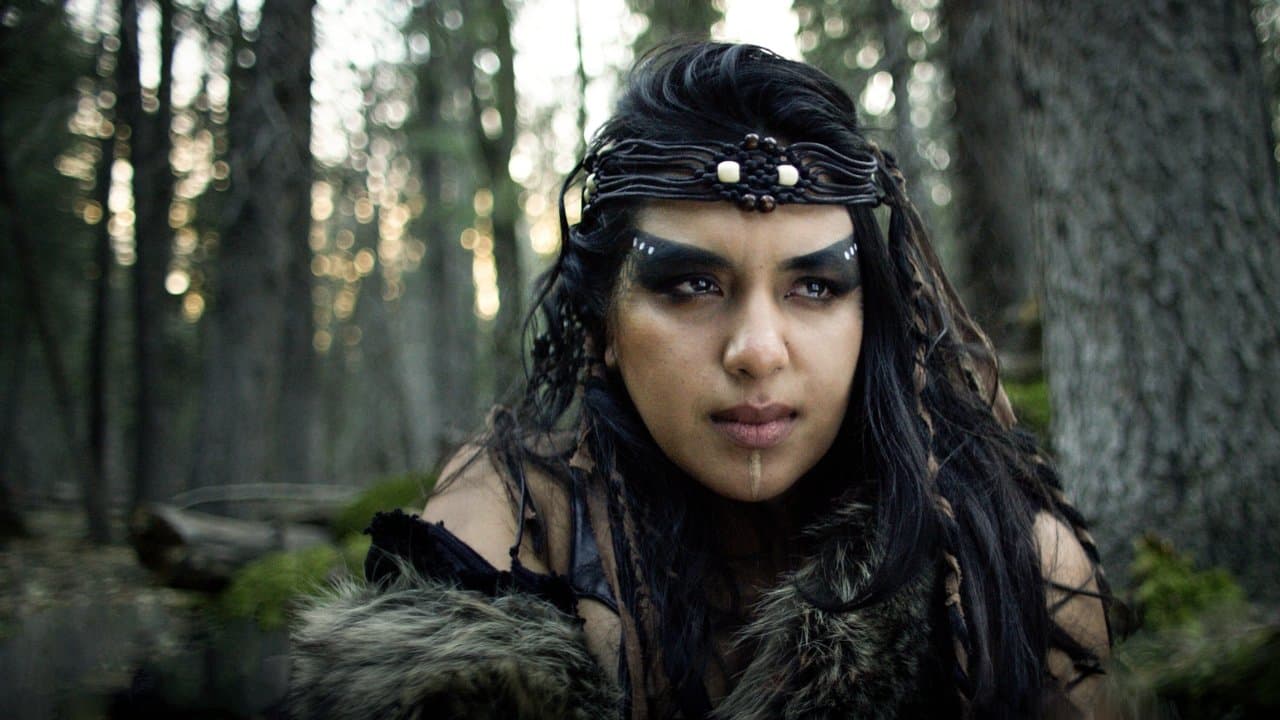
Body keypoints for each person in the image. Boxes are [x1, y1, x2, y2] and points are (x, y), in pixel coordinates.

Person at [289, 42, 1110, 719]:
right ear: (604, 325)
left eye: (814, 286)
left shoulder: (1000, 563)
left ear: (873, 317)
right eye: (691, 284)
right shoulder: (511, 533)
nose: (757, 351)